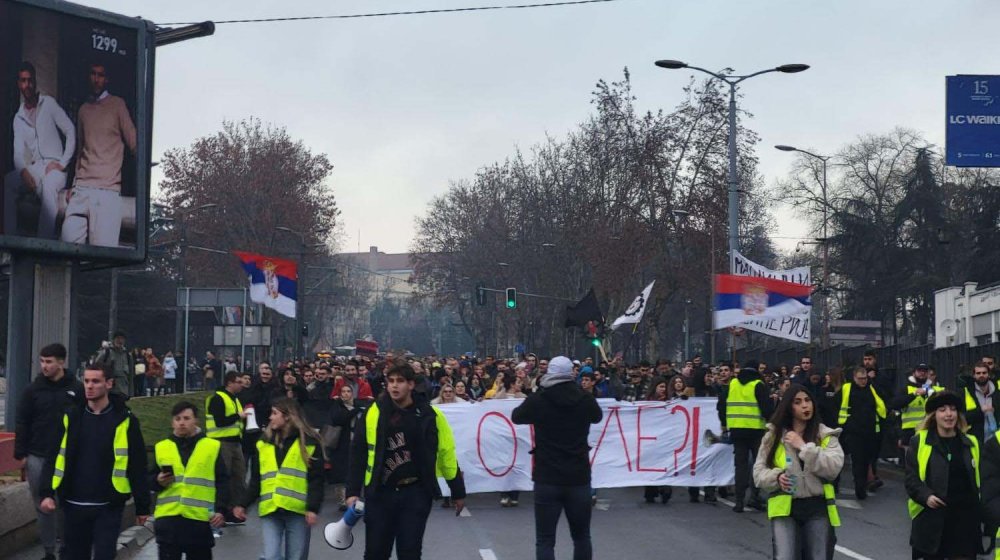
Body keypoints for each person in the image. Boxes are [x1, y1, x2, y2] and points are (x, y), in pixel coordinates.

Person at [346, 361, 466, 560]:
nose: (394, 386)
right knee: (375, 553)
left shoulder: (430, 415)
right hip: (380, 493)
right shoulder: (373, 412)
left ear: (411, 384)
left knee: (410, 552)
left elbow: (446, 453)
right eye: (391, 381)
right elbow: (358, 453)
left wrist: (457, 491)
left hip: (415, 492)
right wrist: (352, 491)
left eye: (400, 381)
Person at [39, 361, 150, 560]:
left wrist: (142, 506)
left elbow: (137, 464)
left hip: (108, 505)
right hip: (73, 504)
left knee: (104, 555)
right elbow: (53, 456)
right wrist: (46, 493)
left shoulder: (124, 420)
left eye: (96, 381)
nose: (89, 386)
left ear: (109, 384)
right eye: (87, 381)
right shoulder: (71, 416)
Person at [512, 356, 603, 560]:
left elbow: (517, 417)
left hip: (547, 475)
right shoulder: (584, 398)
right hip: (578, 475)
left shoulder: (539, 399)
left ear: (549, 373)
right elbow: (597, 417)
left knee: (545, 539)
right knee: (581, 536)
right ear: (572, 373)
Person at [753, 384, 844, 560]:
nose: (805, 405)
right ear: (788, 407)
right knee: (785, 556)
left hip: (817, 507)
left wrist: (803, 447)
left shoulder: (826, 435)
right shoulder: (773, 436)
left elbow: (833, 468)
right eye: (798, 402)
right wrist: (777, 477)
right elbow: (758, 473)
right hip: (785, 509)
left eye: (808, 400)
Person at [14, 343, 84, 560]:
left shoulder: (76, 389)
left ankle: (66, 546)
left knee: (65, 503)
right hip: (38, 454)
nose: (44, 366)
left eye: (49, 362)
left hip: (66, 457)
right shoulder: (32, 390)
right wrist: (21, 453)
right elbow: (22, 421)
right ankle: (49, 550)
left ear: (61, 362)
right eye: (42, 361)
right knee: (43, 504)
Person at [235, 398, 325, 560]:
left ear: (288, 416)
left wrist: (312, 508)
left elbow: (316, 480)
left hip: (297, 510)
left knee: (295, 557)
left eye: (275, 413)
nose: (270, 417)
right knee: (271, 556)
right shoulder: (263, 443)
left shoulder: (309, 444)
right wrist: (243, 504)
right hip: (270, 509)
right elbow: (256, 479)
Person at [62, 62, 137, 247]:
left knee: (102, 255)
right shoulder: (83, 110)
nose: (96, 79)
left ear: (107, 79)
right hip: (82, 190)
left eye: (101, 75)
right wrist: (73, 184)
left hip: (107, 192)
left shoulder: (118, 105)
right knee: (66, 247)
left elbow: (135, 143)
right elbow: (81, 150)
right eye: (93, 74)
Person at [904, 391, 981, 560]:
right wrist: (926, 496)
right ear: (934, 415)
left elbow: (980, 480)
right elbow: (911, 478)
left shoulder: (970, 442)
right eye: (942, 410)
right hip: (932, 518)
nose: (949, 414)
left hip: (964, 519)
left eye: (953, 409)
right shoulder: (920, 441)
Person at [151, 401, 229, 560]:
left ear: (196, 421)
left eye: (186, 418)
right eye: (177, 419)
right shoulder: (162, 447)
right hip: (169, 520)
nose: (181, 422)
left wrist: (220, 510)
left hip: (198, 521)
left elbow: (222, 480)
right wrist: (158, 480)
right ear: (172, 422)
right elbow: (149, 479)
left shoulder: (211, 446)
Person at [11, 61, 75, 238]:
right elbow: (17, 152)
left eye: (30, 80)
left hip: (55, 168)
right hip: (36, 167)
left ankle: (43, 244)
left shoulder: (49, 104)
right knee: (8, 182)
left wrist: (62, 163)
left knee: (48, 187)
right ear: (18, 84)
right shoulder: (18, 118)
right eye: (23, 81)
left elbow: (70, 130)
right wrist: (23, 171)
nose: (27, 85)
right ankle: (9, 242)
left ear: (35, 81)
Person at [719, 360, 771, 512]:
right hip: (756, 431)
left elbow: (722, 405)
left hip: (736, 430)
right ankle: (754, 497)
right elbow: (766, 409)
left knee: (740, 466)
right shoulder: (758, 385)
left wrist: (724, 424)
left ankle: (739, 501)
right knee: (757, 464)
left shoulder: (733, 384)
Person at [836, 367, 886, 500]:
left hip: (871, 432)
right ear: (854, 378)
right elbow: (836, 405)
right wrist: (844, 425)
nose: (863, 381)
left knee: (867, 460)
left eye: (865, 378)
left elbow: (882, 403)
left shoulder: (872, 388)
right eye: (860, 379)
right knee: (858, 461)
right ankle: (860, 489)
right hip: (853, 432)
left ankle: (864, 484)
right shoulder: (847, 389)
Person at [204, 371, 247, 524]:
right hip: (221, 443)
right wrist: (239, 416)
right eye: (238, 382)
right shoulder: (218, 398)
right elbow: (220, 421)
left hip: (235, 442)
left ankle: (232, 510)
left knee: (238, 477)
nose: (241, 385)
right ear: (230, 383)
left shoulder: (234, 399)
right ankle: (219, 512)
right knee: (224, 477)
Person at [961, 361, 1000, 446]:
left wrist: (995, 410)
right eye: (978, 373)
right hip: (974, 440)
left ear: (989, 375)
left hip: (995, 441)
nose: (981, 375)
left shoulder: (997, 393)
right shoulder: (965, 393)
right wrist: (980, 411)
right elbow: (961, 418)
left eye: (984, 373)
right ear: (974, 375)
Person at [96, 331, 134, 397]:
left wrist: (131, 394)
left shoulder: (128, 356)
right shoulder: (106, 353)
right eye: (118, 338)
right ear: (113, 340)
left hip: (123, 391)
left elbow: (130, 376)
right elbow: (95, 369)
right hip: (108, 391)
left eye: (122, 339)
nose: (120, 341)